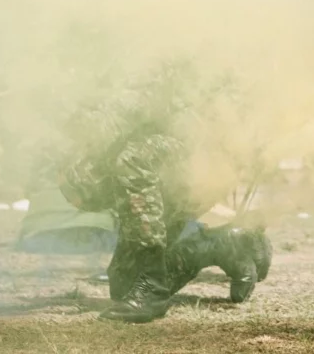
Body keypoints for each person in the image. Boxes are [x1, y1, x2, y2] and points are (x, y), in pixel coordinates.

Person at [58, 62, 271, 323]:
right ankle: (220, 245)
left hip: (202, 163)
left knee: (131, 160)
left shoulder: (153, 65)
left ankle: (153, 286)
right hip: (172, 173)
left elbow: (123, 116)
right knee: (123, 285)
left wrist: (65, 111)